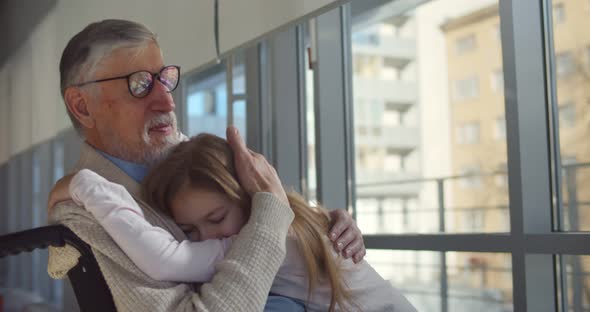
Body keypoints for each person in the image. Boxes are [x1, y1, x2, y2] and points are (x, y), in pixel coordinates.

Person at [47, 19, 366, 311]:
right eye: (140, 84)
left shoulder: (195, 157)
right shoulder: (83, 213)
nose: (167, 101)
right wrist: (271, 218)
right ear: (81, 105)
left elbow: (282, 217)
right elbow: (270, 215)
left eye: (164, 79)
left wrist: (327, 227)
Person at [52, 134, 416, 311]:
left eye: (216, 218)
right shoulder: (304, 220)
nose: (206, 237)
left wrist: (87, 186)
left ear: (246, 195)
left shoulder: (278, 237)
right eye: (191, 231)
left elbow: (166, 260)